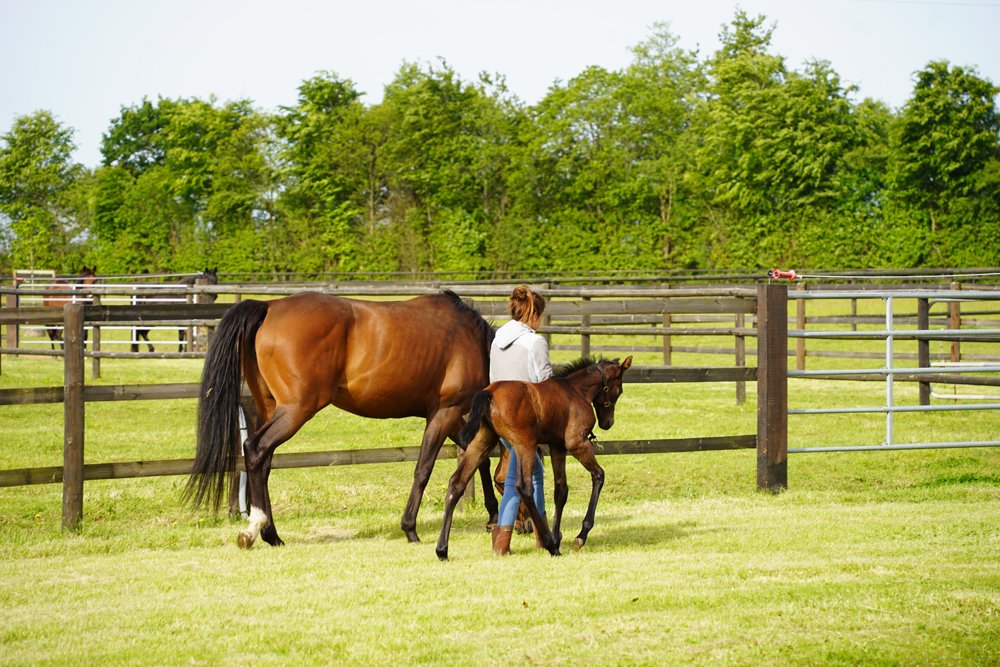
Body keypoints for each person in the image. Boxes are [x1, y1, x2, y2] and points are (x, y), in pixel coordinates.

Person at [489, 285, 552, 556]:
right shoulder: (535, 342)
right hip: (523, 420)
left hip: (498, 416)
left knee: (535, 473)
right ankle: (502, 544)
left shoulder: (496, 339)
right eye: (541, 316)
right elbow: (545, 384)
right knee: (518, 478)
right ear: (534, 314)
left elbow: (493, 379)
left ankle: (542, 537)